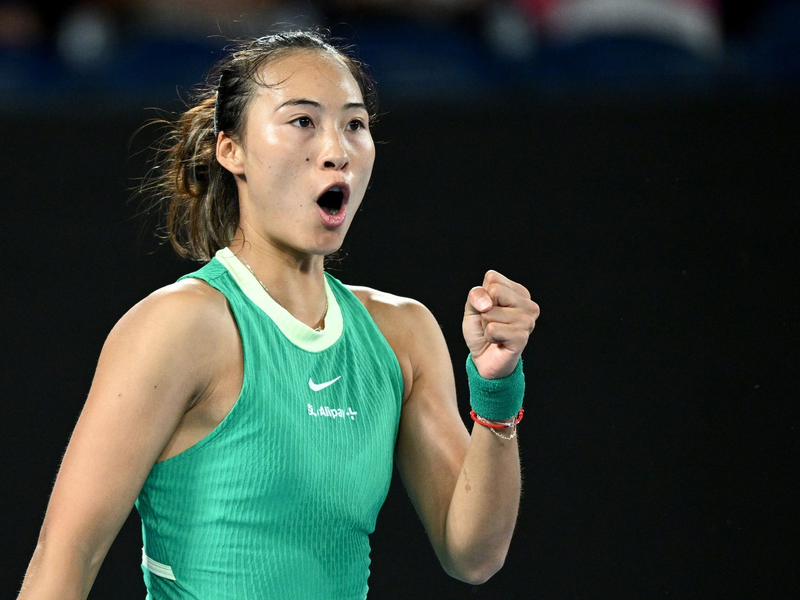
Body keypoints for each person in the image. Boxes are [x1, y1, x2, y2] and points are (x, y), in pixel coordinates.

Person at [16, 30, 540, 599]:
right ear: (230, 149)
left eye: (354, 124)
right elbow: (66, 558)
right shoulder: (178, 326)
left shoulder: (402, 333)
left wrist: (496, 393)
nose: (336, 148)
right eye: (302, 121)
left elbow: (474, 553)